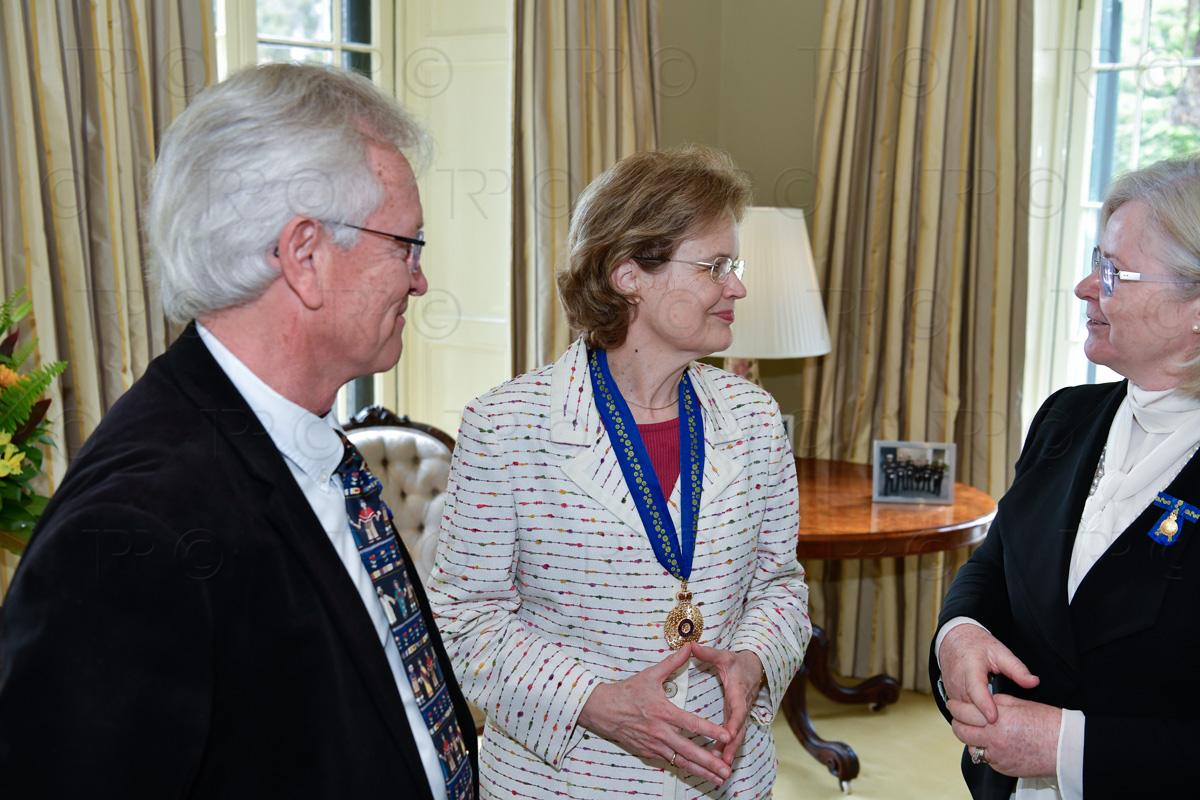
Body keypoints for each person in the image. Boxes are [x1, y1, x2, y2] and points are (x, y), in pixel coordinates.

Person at [0, 64, 477, 799]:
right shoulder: (137, 527)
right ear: (306, 256)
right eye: (404, 245)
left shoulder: (305, 449)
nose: (418, 278)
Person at [428, 145, 811, 798]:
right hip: (565, 780)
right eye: (716, 267)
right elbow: (465, 619)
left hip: (723, 774)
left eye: (735, 266)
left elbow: (780, 586)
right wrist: (594, 701)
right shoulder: (507, 425)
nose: (738, 287)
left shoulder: (753, 418)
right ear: (630, 274)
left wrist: (753, 661)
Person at [931, 153, 1200, 799]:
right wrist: (959, 634)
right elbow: (996, 564)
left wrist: (1067, 748)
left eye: (1112, 272)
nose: (1084, 287)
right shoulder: (1066, 417)